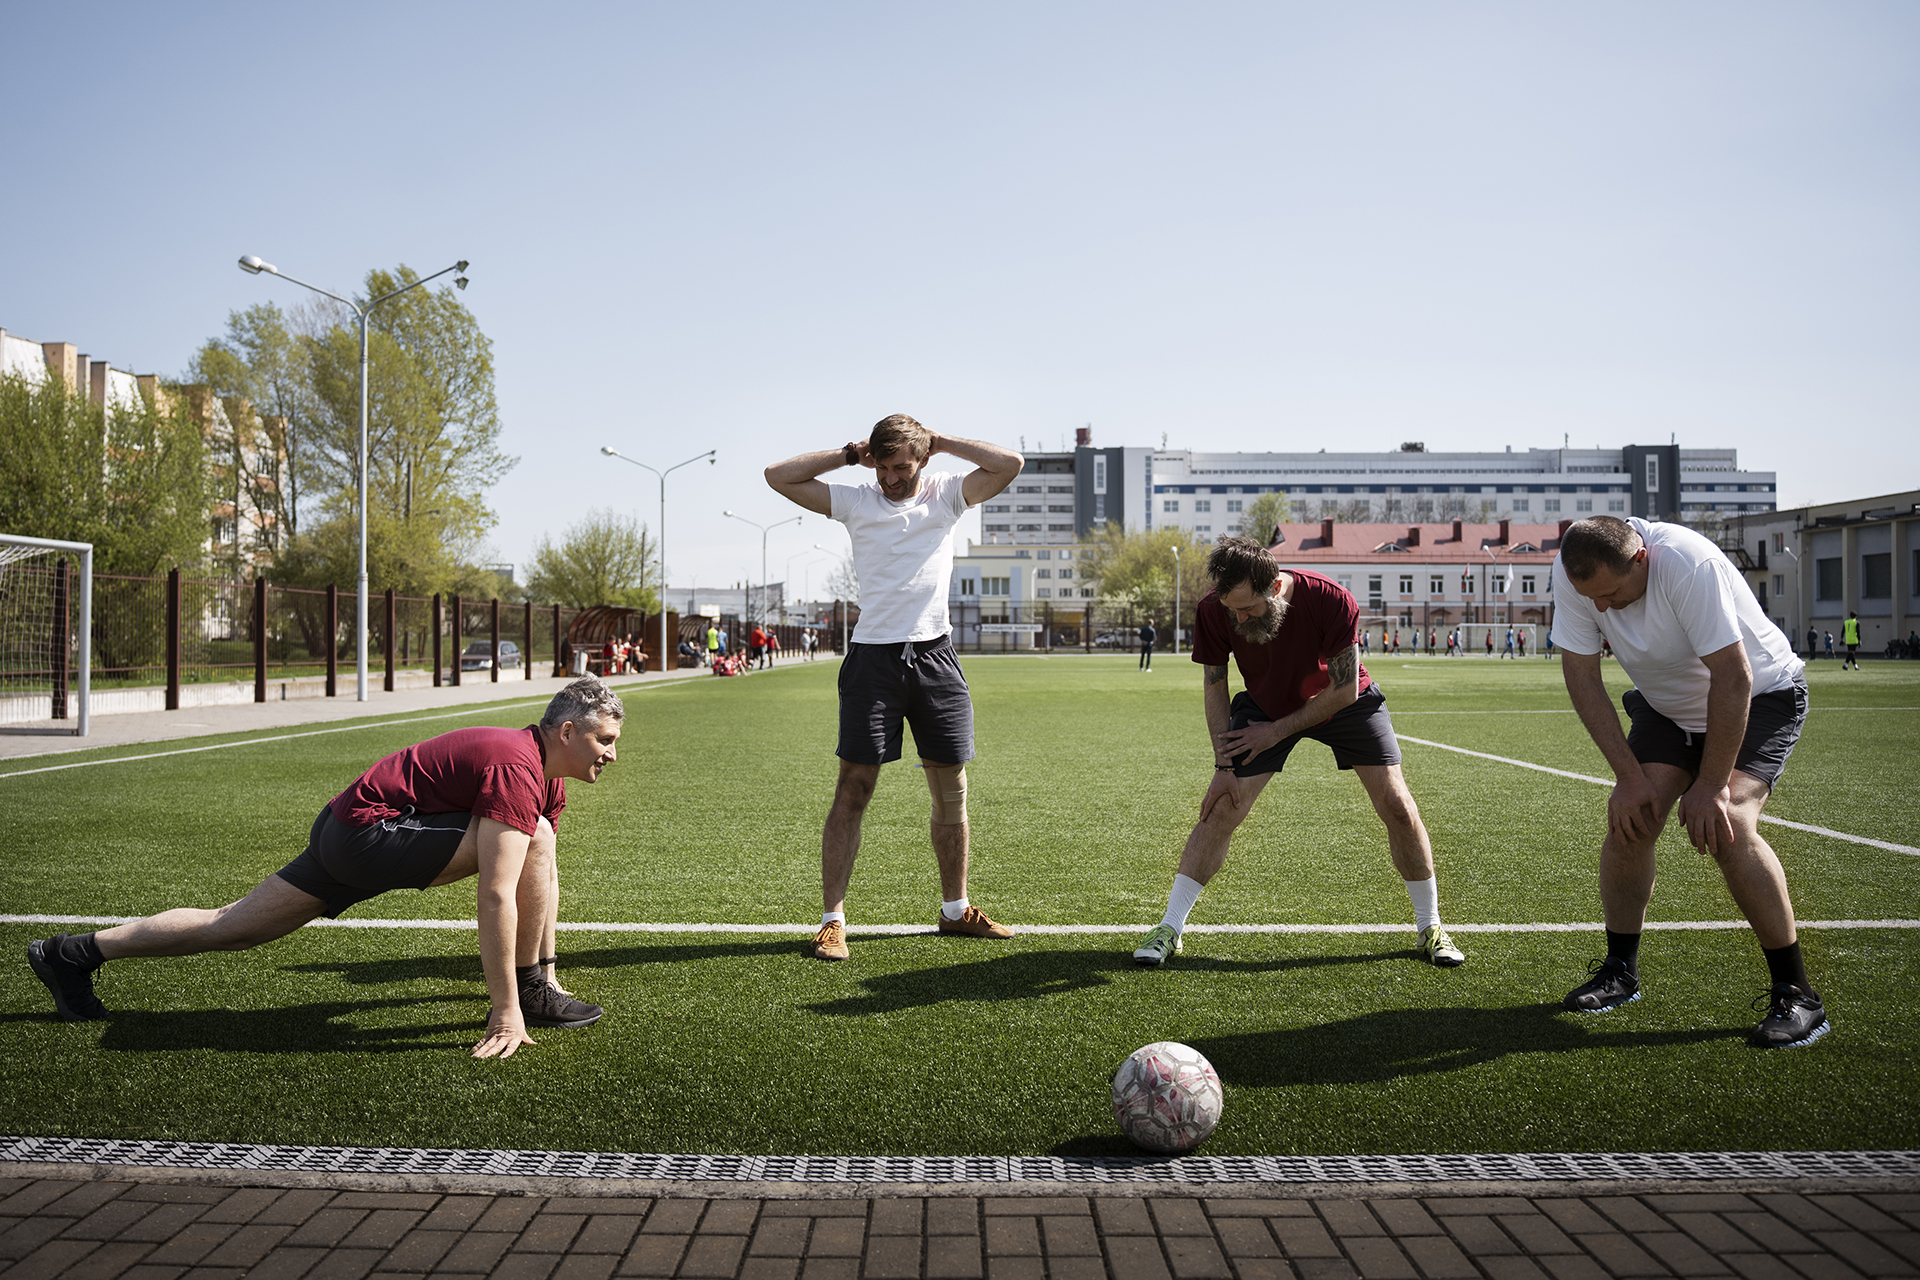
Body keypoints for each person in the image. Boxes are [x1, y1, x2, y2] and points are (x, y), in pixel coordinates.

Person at [26, 677, 625, 1059]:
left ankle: (72, 954)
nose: (612, 754)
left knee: (233, 925)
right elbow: (498, 894)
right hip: (367, 835)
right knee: (534, 839)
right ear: (567, 731)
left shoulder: (544, 776)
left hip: (347, 830)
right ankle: (528, 993)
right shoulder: (517, 768)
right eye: (604, 740)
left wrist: (547, 970)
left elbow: (534, 882)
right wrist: (508, 1008)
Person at [1549, 516, 1824, 1049]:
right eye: (1592, 599)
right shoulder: (1576, 573)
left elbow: (1734, 675)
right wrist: (1627, 778)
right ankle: (1620, 971)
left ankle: (1798, 994)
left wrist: (1712, 785)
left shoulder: (1686, 563)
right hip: (1668, 707)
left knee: (1731, 826)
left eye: (1611, 594)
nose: (1601, 608)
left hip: (1759, 695)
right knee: (1631, 820)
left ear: (1641, 560)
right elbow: (1581, 676)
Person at [1130, 536, 1466, 970]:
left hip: (1341, 702)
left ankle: (1431, 925)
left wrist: (1275, 733)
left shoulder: (1331, 599)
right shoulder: (1215, 609)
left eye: (1247, 608)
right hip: (1266, 704)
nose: (1238, 617)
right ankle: (1169, 928)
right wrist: (1223, 764)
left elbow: (1344, 689)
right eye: (1231, 609)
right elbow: (1215, 685)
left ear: (1274, 588)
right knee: (1221, 806)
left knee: (1398, 804)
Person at [766, 414, 1024, 961]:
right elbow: (777, 476)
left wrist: (944, 441)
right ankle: (832, 920)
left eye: (900, 467)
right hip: (873, 661)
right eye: (882, 468)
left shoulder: (949, 493)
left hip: (936, 657)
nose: (889, 478)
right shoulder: (858, 501)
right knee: (854, 787)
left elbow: (1011, 464)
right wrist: (847, 454)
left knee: (950, 786)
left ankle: (955, 911)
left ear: (922, 459)